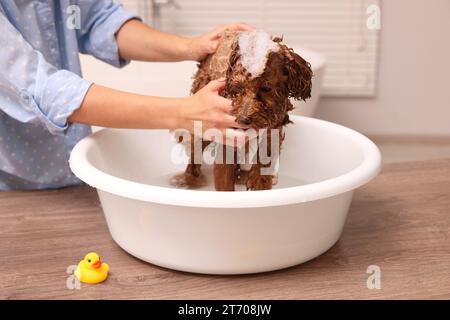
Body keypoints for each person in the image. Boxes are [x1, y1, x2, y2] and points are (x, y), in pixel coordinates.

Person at [0, 0, 252, 190]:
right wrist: (182, 113)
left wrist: (190, 46)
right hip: (15, 190)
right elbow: (41, 88)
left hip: (77, 177)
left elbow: (99, 20)